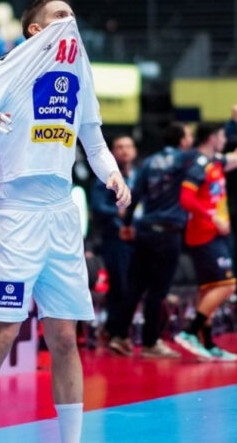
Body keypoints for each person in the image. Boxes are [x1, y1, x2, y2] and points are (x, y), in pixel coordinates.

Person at [0, 0, 131, 443]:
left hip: (62, 216)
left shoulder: (79, 74)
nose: (71, 21)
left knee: (65, 337)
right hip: (16, 217)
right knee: (2, 334)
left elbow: (94, 140)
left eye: (73, 14)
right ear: (36, 29)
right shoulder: (5, 69)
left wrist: (112, 174)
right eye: (60, 15)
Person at [175, 114, 237, 361]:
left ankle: (207, 343)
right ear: (212, 138)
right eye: (223, 136)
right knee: (227, 285)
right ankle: (189, 332)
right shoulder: (199, 164)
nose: (225, 140)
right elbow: (186, 198)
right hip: (205, 233)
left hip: (212, 234)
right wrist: (212, 217)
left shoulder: (215, 162)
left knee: (209, 290)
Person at [115, 123, 194, 358]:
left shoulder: (149, 163)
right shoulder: (185, 160)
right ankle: (150, 343)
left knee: (135, 287)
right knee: (158, 291)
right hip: (168, 233)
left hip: (145, 231)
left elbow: (134, 195)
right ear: (182, 140)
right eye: (188, 136)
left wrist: (127, 225)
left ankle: (119, 337)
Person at [92, 134, 137, 356]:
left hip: (138, 239)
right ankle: (114, 332)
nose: (124, 150)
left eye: (128, 146)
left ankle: (121, 332)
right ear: (112, 152)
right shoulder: (105, 177)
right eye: (119, 146)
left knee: (134, 287)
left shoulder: (139, 175)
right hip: (115, 240)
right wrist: (117, 213)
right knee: (119, 286)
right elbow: (97, 206)